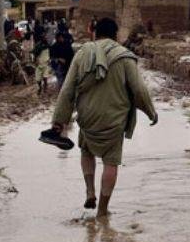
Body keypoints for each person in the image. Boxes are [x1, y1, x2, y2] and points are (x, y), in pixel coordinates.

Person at [49, 17, 157, 217]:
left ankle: (90, 191)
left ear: (95, 33)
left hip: (88, 117)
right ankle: (102, 210)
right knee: (111, 163)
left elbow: (67, 90)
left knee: (86, 151)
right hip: (114, 119)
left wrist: (59, 122)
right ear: (116, 35)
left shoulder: (82, 54)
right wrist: (151, 112)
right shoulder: (125, 57)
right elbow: (139, 90)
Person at [32, 31, 51, 95]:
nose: (46, 38)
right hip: (39, 63)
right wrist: (35, 61)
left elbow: (49, 53)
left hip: (45, 63)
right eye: (44, 37)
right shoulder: (38, 46)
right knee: (38, 79)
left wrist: (49, 59)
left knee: (45, 77)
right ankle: (40, 87)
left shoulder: (47, 45)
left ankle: (45, 88)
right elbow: (34, 54)